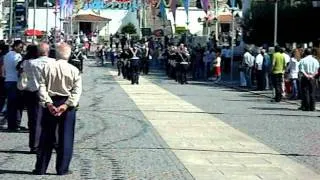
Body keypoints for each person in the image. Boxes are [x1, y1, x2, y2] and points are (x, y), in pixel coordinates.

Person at [33, 43, 82, 175]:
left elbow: (41, 87)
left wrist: (48, 103)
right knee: (66, 136)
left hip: (51, 100)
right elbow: (77, 91)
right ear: (69, 55)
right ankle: (62, 168)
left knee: (46, 136)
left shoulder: (47, 67)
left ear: (56, 54)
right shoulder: (74, 70)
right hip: (66, 103)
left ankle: (41, 167)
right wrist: (66, 105)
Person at [3, 40, 24, 132]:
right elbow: (18, 68)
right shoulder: (17, 56)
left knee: (10, 104)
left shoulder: (7, 55)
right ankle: (15, 124)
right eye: (20, 47)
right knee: (16, 104)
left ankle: (11, 124)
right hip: (15, 81)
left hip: (8, 80)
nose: (21, 49)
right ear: (15, 46)